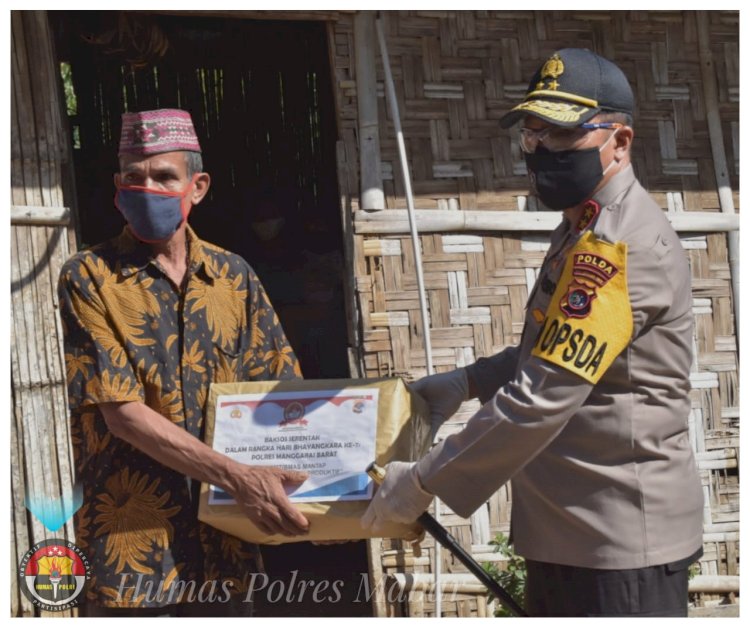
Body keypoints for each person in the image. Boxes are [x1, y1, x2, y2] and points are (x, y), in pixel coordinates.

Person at [361, 48, 704, 617]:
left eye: (562, 136)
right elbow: (555, 348)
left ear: (619, 142)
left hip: (617, 543)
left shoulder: (617, 245)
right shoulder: (583, 224)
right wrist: (469, 380)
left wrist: (421, 481)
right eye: (533, 135)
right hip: (574, 533)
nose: (542, 150)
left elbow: (543, 396)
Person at [58, 108, 309, 616]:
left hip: (229, 541)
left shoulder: (233, 276)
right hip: (133, 546)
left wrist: (332, 495)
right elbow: (121, 413)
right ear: (116, 187)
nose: (146, 188)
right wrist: (240, 477)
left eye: (163, 176)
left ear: (197, 186)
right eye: (133, 177)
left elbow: (282, 398)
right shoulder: (89, 276)